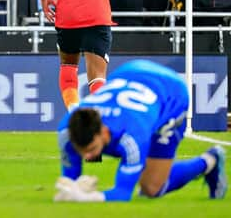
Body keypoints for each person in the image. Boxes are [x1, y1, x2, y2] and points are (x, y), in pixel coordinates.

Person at [55, 59, 227, 202]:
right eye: (81, 151)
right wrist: (72, 187)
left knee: (151, 187)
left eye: (92, 149)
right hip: (129, 73)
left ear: (104, 132)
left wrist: (86, 198)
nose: (88, 157)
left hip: (170, 93)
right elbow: (70, 179)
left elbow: (122, 194)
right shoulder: (66, 131)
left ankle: (210, 160)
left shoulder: (132, 137)